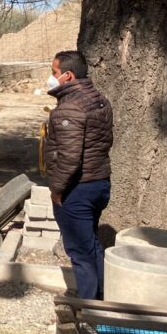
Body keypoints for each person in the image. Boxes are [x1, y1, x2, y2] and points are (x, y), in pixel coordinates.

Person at [44, 50, 113, 300]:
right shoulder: (100, 99)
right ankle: (103, 298)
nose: (51, 78)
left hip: (77, 189)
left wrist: (57, 189)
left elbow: (70, 157)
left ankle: (87, 315)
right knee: (91, 245)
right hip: (99, 183)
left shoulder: (70, 107)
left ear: (68, 75)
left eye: (54, 72)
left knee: (80, 253)